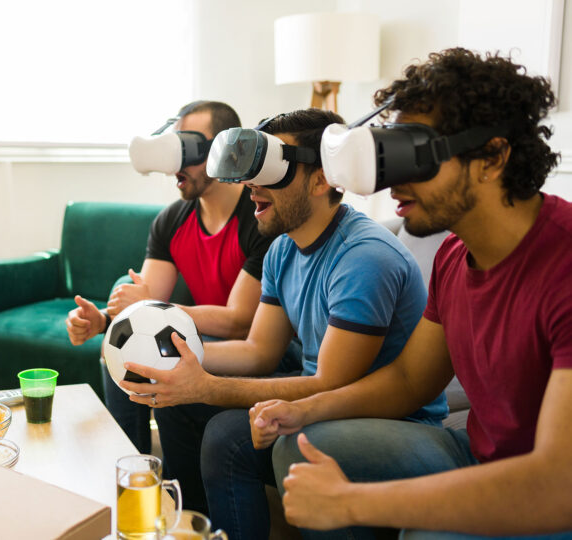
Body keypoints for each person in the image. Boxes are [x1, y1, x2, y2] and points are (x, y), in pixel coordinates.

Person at [252, 48, 572, 539]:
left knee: (424, 534)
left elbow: (556, 486)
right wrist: (303, 409)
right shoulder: (452, 256)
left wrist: (350, 502)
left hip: (548, 489)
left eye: (413, 155)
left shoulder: (563, 266)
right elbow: (407, 380)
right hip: (474, 451)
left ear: (492, 157)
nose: (392, 181)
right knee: (301, 445)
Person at [120, 108, 448, 533]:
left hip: (386, 417)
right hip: (324, 394)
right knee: (179, 397)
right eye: (250, 171)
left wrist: (209, 386)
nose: (251, 186)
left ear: (321, 178)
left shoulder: (364, 257)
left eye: (271, 170)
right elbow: (259, 353)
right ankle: (192, 525)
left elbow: (331, 383)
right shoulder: (281, 249)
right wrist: (182, 360)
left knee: (226, 436)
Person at [65, 100, 275, 454]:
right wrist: (102, 322)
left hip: (254, 346)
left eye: (187, 148)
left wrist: (151, 305)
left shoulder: (258, 218)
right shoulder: (171, 221)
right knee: (116, 349)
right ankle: (132, 465)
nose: (175, 166)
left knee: (162, 351)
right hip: (203, 333)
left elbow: (241, 322)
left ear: (224, 150)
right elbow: (143, 311)